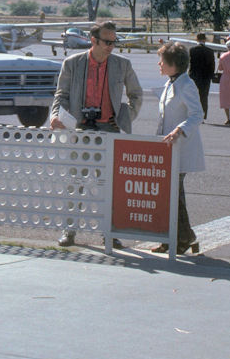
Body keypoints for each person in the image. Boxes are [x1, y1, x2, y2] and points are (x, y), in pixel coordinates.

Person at [50, 21, 144, 248]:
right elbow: (61, 95)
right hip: (80, 129)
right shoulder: (72, 63)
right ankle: (69, 231)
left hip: (108, 130)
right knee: (76, 181)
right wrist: (55, 116)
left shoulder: (123, 65)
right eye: (106, 42)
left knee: (108, 184)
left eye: (114, 42)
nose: (111, 46)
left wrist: (124, 118)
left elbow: (136, 95)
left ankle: (109, 233)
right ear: (93, 41)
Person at [152, 42, 203, 255]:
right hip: (167, 150)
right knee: (169, 196)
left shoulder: (186, 85)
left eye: (162, 61)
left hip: (180, 150)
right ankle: (178, 237)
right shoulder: (169, 84)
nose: (159, 64)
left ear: (173, 64)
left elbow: (197, 114)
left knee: (173, 196)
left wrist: (179, 130)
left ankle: (182, 238)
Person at [188, 32, 216, 120]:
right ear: (205, 40)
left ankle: (193, 114)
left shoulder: (192, 50)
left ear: (197, 39)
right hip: (205, 77)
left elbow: (189, 64)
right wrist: (211, 76)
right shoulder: (210, 51)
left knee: (193, 97)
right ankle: (203, 116)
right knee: (204, 97)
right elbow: (212, 66)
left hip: (194, 76)